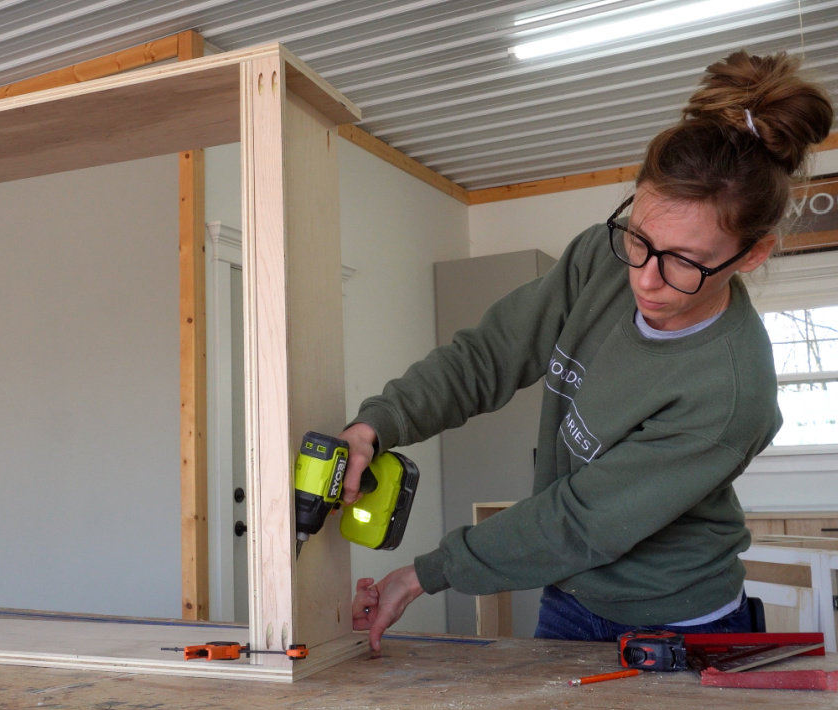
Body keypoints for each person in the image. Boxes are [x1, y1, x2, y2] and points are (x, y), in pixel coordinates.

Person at [342, 50, 834, 652]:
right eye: (641, 239)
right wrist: (377, 424)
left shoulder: (732, 389)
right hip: (569, 595)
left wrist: (427, 573)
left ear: (751, 256)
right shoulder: (601, 259)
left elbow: (580, 522)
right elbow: (489, 356)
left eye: (684, 262)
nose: (645, 279)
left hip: (676, 620)